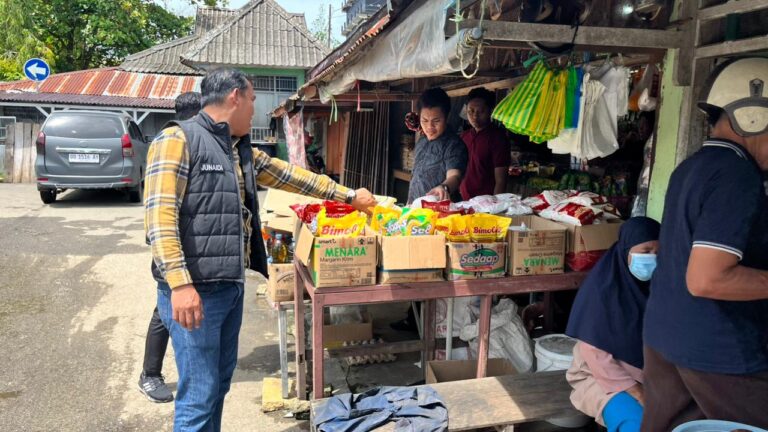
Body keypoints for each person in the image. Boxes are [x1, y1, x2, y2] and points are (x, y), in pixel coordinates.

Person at [144, 68, 375, 431]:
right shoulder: (177, 139)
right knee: (199, 396)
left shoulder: (238, 149)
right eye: (252, 99)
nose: (255, 109)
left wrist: (347, 196)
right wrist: (180, 285)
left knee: (217, 387)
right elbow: (160, 219)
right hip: (196, 291)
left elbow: (292, 176)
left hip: (229, 286)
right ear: (234, 96)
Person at [641, 57, 768, 431]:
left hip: (665, 335)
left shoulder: (692, 167)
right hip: (719, 349)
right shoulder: (737, 176)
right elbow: (707, 279)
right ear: (753, 116)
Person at [565, 217, 660, 432]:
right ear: (626, 250)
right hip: (600, 378)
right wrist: (638, 392)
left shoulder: (660, 287)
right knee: (636, 424)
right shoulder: (601, 291)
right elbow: (595, 355)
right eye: (645, 251)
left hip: (651, 377)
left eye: (658, 253)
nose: (652, 258)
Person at [138, 91, 202, 404]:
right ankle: (150, 375)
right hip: (171, 250)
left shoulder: (197, 144)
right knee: (164, 312)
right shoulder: (173, 142)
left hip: (193, 250)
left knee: (173, 312)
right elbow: (161, 212)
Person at [407, 87, 468, 204]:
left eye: (436, 121)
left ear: (446, 117)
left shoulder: (454, 145)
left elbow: (455, 176)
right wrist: (408, 204)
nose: (429, 127)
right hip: (415, 208)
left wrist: (444, 187)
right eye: (424, 120)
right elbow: (415, 176)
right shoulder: (422, 140)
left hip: (440, 209)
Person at [459, 87, 511, 200]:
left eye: (481, 111)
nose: (475, 116)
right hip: (464, 199)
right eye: (471, 111)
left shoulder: (498, 138)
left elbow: (501, 180)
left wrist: (495, 204)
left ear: (490, 111)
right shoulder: (463, 137)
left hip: (486, 202)